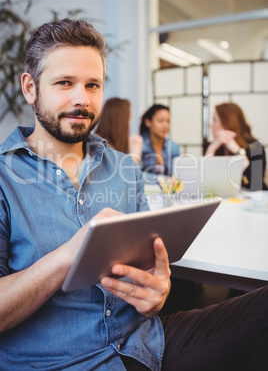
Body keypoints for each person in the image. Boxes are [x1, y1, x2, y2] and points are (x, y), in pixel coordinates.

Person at [0, 18, 267, 370]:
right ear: (30, 87)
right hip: (60, 362)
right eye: (65, 83)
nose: (82, 98)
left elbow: (150, 275)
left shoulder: (124, 168)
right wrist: (69, 254)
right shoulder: (5, 178)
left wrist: (157, 294)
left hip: (145, 343)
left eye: (93, 85)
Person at [205, 102, 267, 191]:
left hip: (253, 201)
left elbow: (254, 184)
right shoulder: (215, 147)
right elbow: (206, 182)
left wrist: (236, 149)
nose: (210, 125)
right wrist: (211, 149)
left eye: (215, 120)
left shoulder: (255, 147)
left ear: (227, 123)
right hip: (225, 200)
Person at [94, 97, 142, 163]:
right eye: (128, 119)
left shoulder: (113, 144)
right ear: (120, 122)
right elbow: (123, 172)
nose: (129, 124)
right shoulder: (99, 145)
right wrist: (135, 154)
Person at [139, 104, 180, 176]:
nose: (165, 125)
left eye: (168, 121)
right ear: (148, 122)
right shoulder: (139, 145)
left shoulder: (174, 147)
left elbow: (176, 175)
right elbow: (136, 175)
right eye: (160, 121)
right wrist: (163, 180)